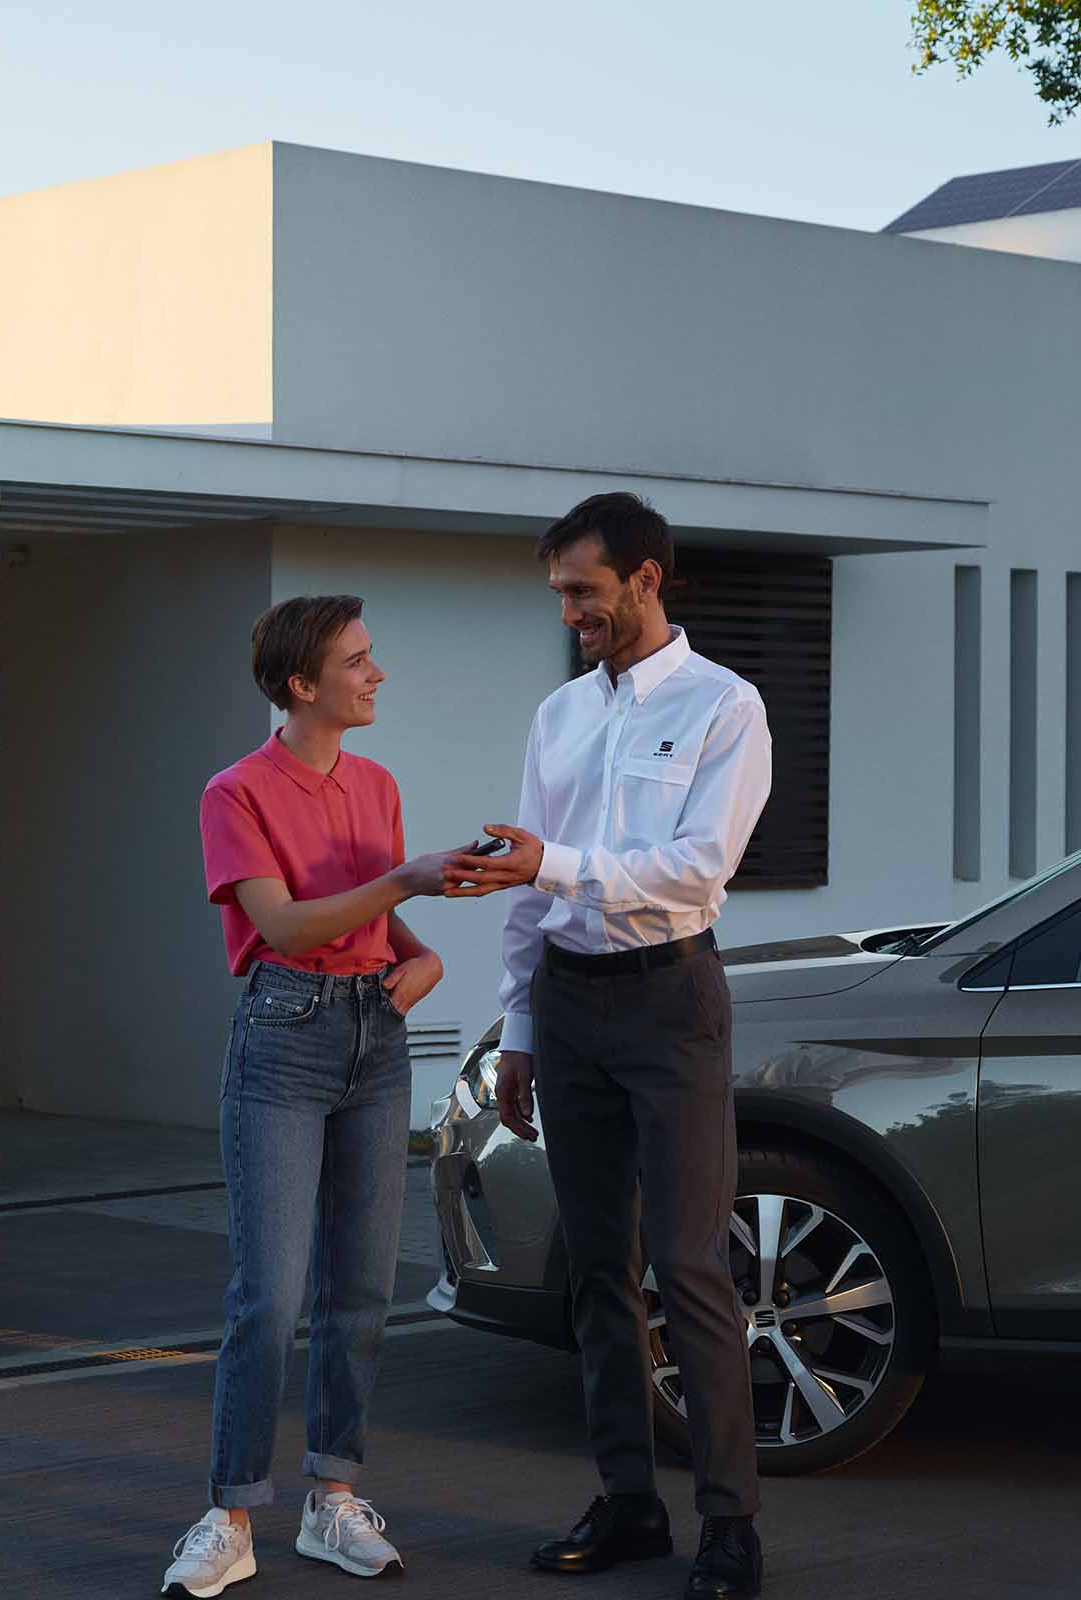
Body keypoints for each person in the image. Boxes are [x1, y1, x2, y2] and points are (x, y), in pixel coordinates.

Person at [449, 493, 775, 1599]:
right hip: (572, 1007)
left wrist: (552, 865)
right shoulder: (559, 715)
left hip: (671, 1001)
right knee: (597, 1270)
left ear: (647, 578)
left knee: (688, 1266)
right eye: (560, 596)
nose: (572, 613)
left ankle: (730, 1526)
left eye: (585, 592)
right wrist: (523, 1031)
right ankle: (630, 1502)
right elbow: (520, 883)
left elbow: (698, 869)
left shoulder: (728, 706)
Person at [162, 594, 472, 1598]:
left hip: (376, 1039)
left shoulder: (376, 785)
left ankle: (332, 1498)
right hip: (284, 1041)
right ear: (303, 684)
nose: (376, 674)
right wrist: (408, 885)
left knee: (363, 1295)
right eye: (358, 659)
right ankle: (231, 1512)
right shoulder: (235, 792)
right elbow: (288, 928)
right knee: (272, 1297)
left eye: (372, 657)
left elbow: (381, 925)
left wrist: (423, 960)